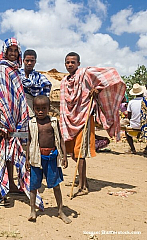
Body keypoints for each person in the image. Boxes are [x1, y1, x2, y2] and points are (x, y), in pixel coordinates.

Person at [60, 52, 125, 197]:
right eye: (67, 62)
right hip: (70, 120)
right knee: (74, 155)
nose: (70, 65)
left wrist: (98, 90)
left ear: (78, 64)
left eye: (72, 62)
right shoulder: (64, 81)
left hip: (84, 116)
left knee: (80, 153)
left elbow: (110, 75)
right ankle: (84, 181)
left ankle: (83, 187)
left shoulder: (85, 74)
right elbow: (64, 104)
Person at [0, 38, 43, 209]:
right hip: (5, 121)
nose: (13, 53)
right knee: (2, 154)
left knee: (16, 152)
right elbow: (1, 95)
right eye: (10, 50)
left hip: (18, 120)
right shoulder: (1, 69)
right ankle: (1, 189)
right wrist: (5, 121)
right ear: (5, 51)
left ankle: (12, 184)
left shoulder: (15, 70)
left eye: (16, 51)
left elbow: (18, 95)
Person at [26, 95, 71, 223]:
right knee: (33, 186)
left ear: (49, 108)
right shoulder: (31, 123)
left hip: (51, 157)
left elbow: (60, 139)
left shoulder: (53, 122)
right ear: (33, 109)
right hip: (36, 157)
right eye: (37, 108)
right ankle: (32, 211)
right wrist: (27, 159)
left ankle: (60, 211)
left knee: (56, 185)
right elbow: (29, 141)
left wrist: (64, 155)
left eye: (43, 108)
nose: (40, 111)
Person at [20, 49, 52, 117]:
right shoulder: (17, 76)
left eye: (32, 61)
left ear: (35, 62)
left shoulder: (40, 78)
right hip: (18, 111)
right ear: (23, 61)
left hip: (34, 114)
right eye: (27, 61)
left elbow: (45, 98)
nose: (29, 63)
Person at [125, 84, 145, 154]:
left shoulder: (131, 102)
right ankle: (146, 149)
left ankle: (133, 149)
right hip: (144, 126)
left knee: (126, 132)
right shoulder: (145, 101)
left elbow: (129, 116)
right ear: (142, 92)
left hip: (134, 125)